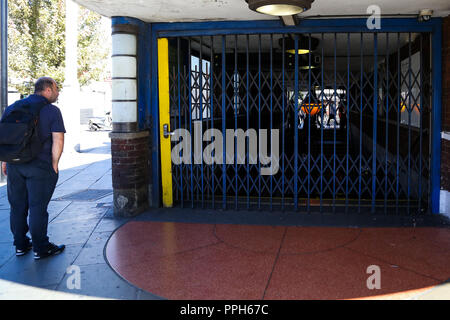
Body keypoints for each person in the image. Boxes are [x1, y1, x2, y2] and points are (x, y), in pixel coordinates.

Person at [1, 77, 66, 260]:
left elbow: (4, 137)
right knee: (38, 207)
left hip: (15, 165)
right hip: (40, 166)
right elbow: (58, 140)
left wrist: (5, 161)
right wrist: (55, 163)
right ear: (47, 90)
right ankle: (41, 247)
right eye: (56, 88)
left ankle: (21, 245)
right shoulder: (51, 110)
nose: (58, 92)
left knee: (17, 207)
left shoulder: (13, 107)